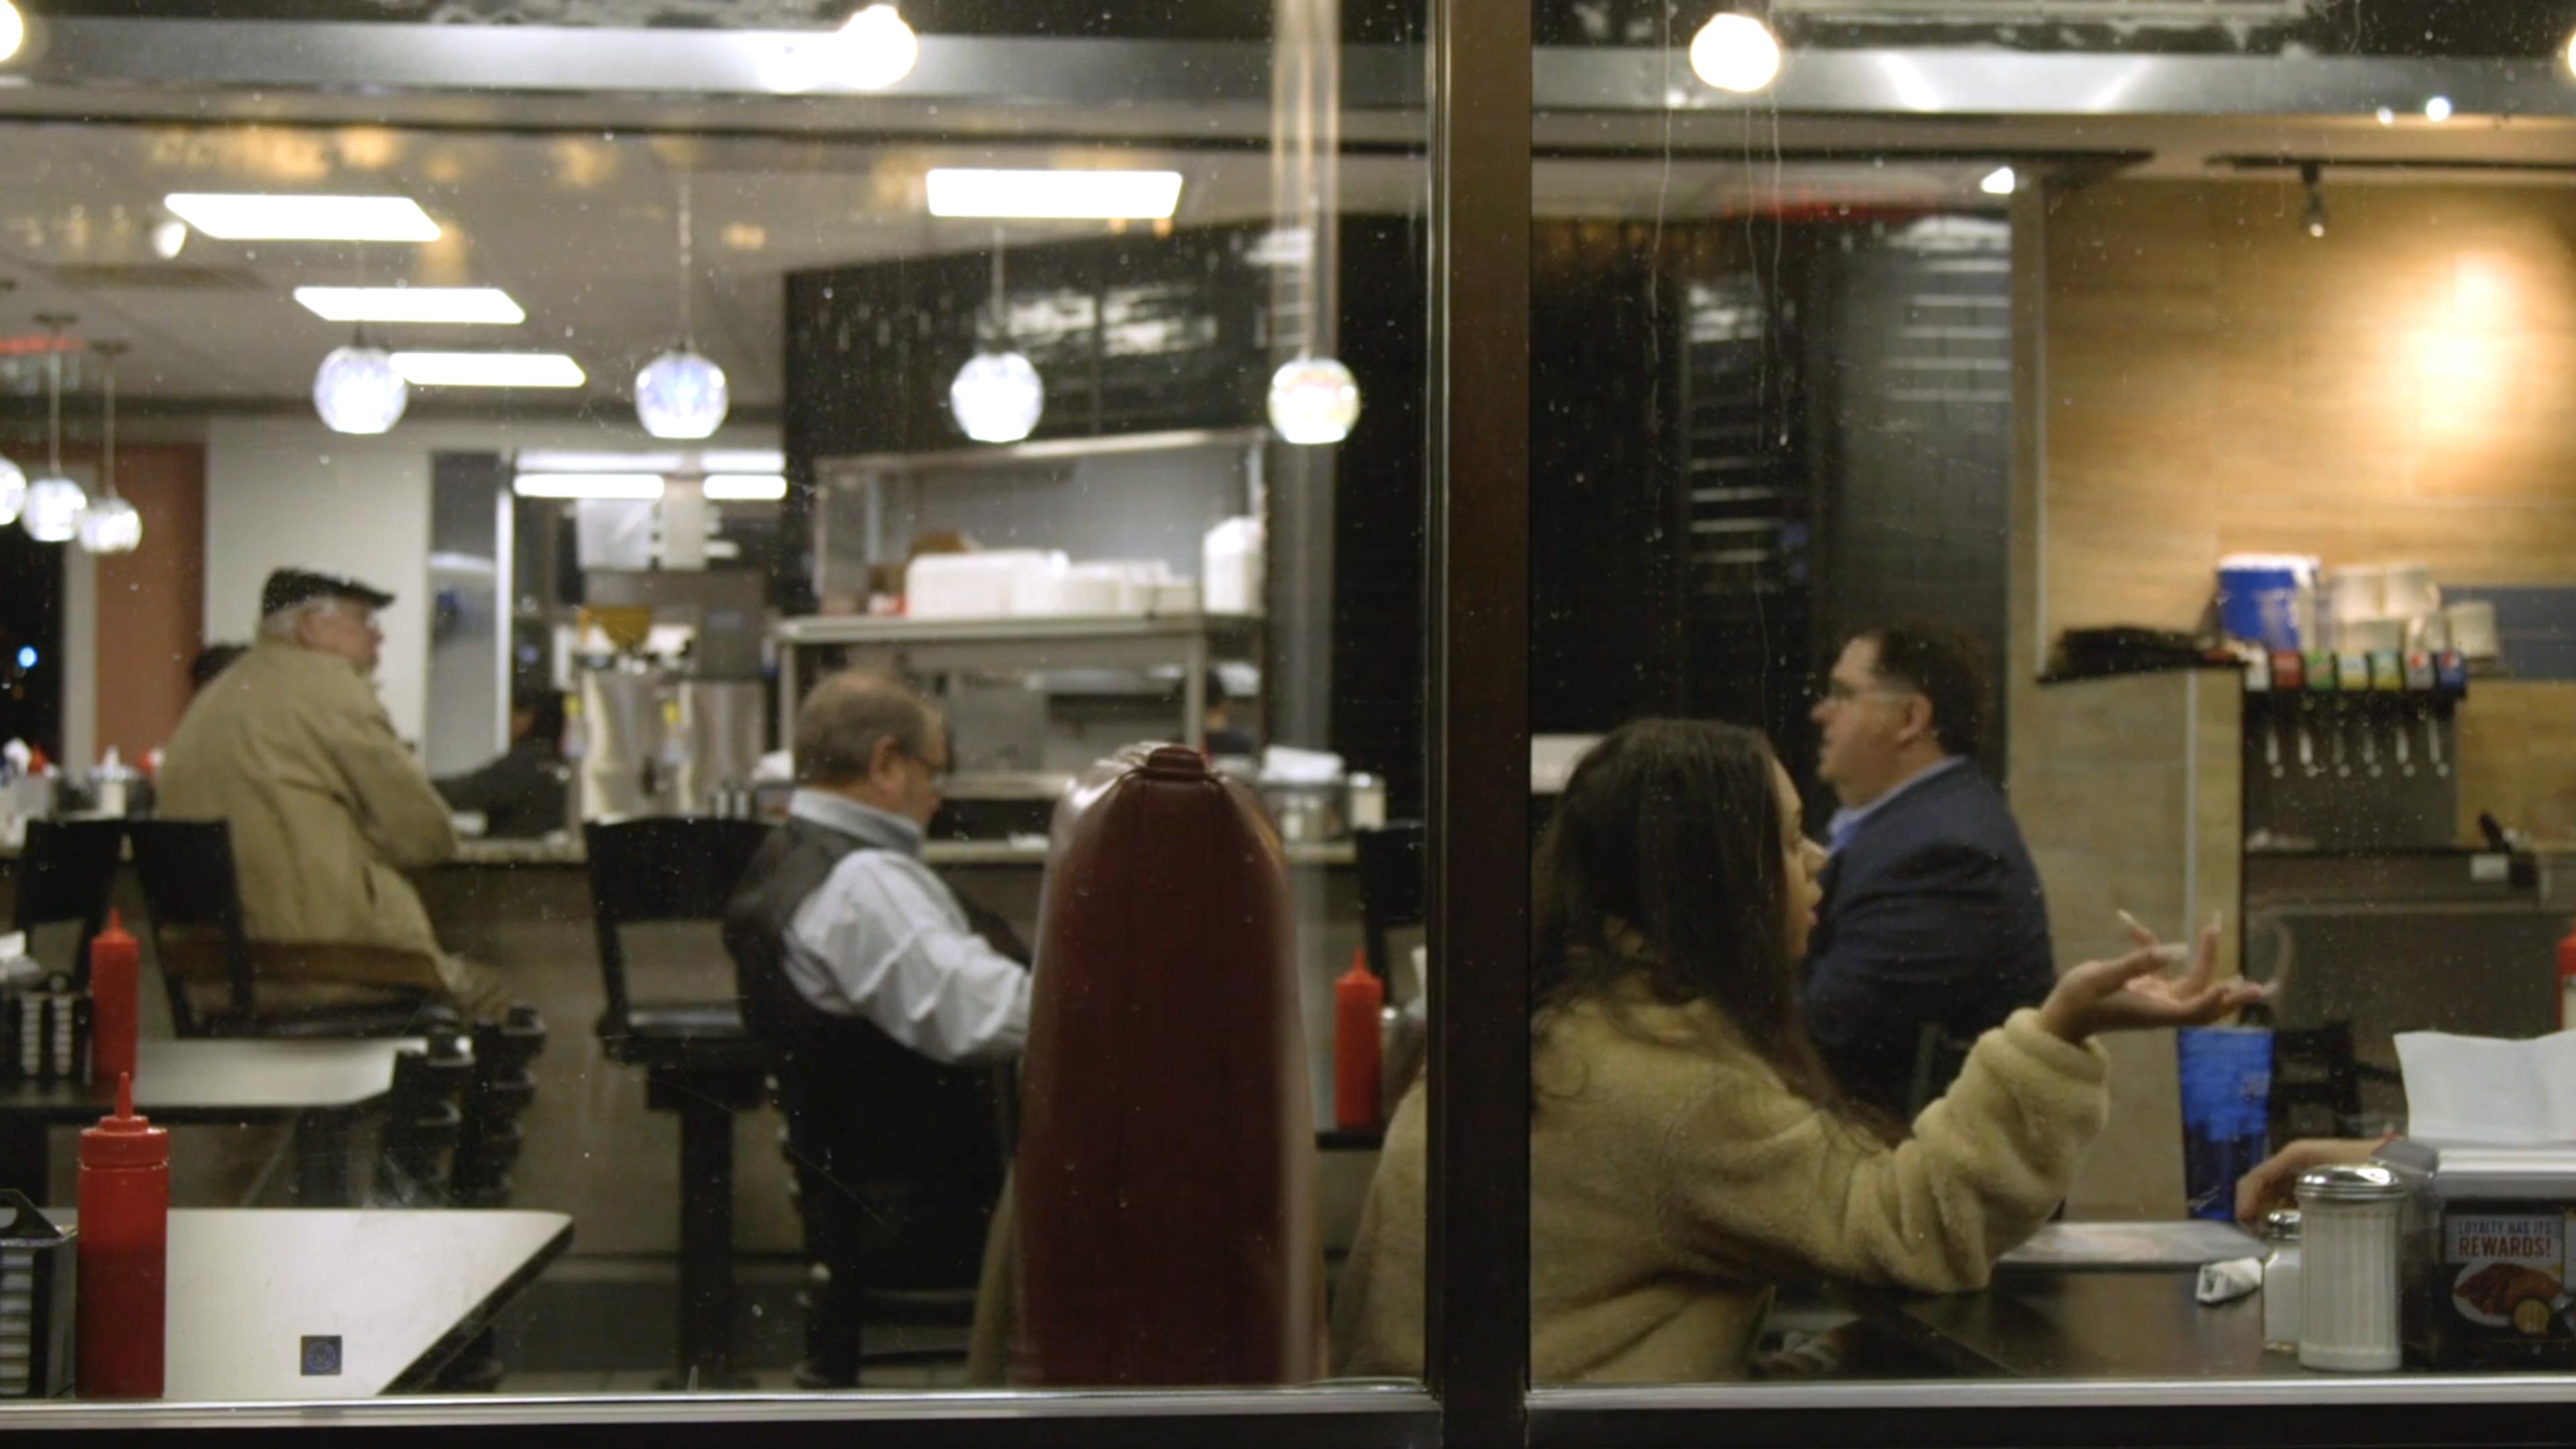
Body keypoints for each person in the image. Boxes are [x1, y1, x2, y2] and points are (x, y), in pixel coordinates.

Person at [1330, 718, 2258, 1383]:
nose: (1818, 859)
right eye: (1784, 839)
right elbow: (1912, 1228)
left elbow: (1601, 1330)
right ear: (1711, 883)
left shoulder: (1570, 1025)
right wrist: (2061, 1030)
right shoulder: (1661, 1082)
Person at [722, 667, 1034, 1388]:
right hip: (942, 1216)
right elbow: (984, 1015)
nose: (940, 791)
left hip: (864, 1209)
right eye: (935, 768)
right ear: (886, 763)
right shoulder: (865, 884)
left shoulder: (786, 859)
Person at [158, 569, 508, 1019]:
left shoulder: (217, 695)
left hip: (210, 979)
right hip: (326, 967)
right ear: (309, 626)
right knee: (493, 1001)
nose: (377, 635)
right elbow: (427, 835)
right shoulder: (332, 688)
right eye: (361, 619)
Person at [1801, 622, 2056, 1120]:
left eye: (1843, 694)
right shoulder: (1908, 827)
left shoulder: (1943, 853)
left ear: (1910, 718)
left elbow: (1826, 1032)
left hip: (1914, 1178)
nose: (1821, 713)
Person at [434, 686, 570, 839]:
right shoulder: (565, 766)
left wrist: (413, 786)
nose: (511, 722)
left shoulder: (529, 761)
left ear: (528, 717)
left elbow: (472, 792)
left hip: (515, 856)